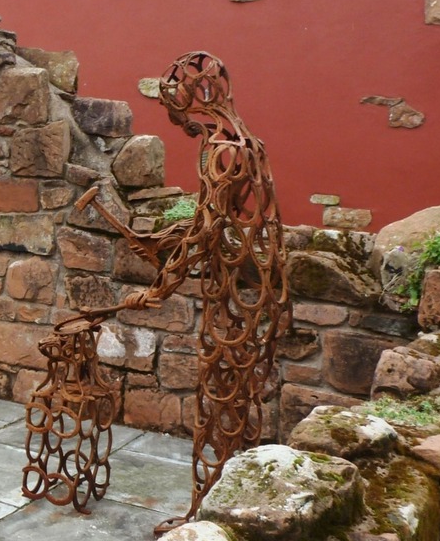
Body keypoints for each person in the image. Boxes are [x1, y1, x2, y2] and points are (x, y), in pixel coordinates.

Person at [81, 51, 291, 535]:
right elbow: (212, 222)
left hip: (234, 295)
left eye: (175, 112)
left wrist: (156, 288)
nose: (176, 123)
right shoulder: (247, 143)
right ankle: (240, 503)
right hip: (261, 291)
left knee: (222, 398)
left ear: (193, 100)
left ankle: (208, 514)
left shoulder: (221, 150)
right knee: (243, 400)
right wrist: (163, 243)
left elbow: (205, 233)